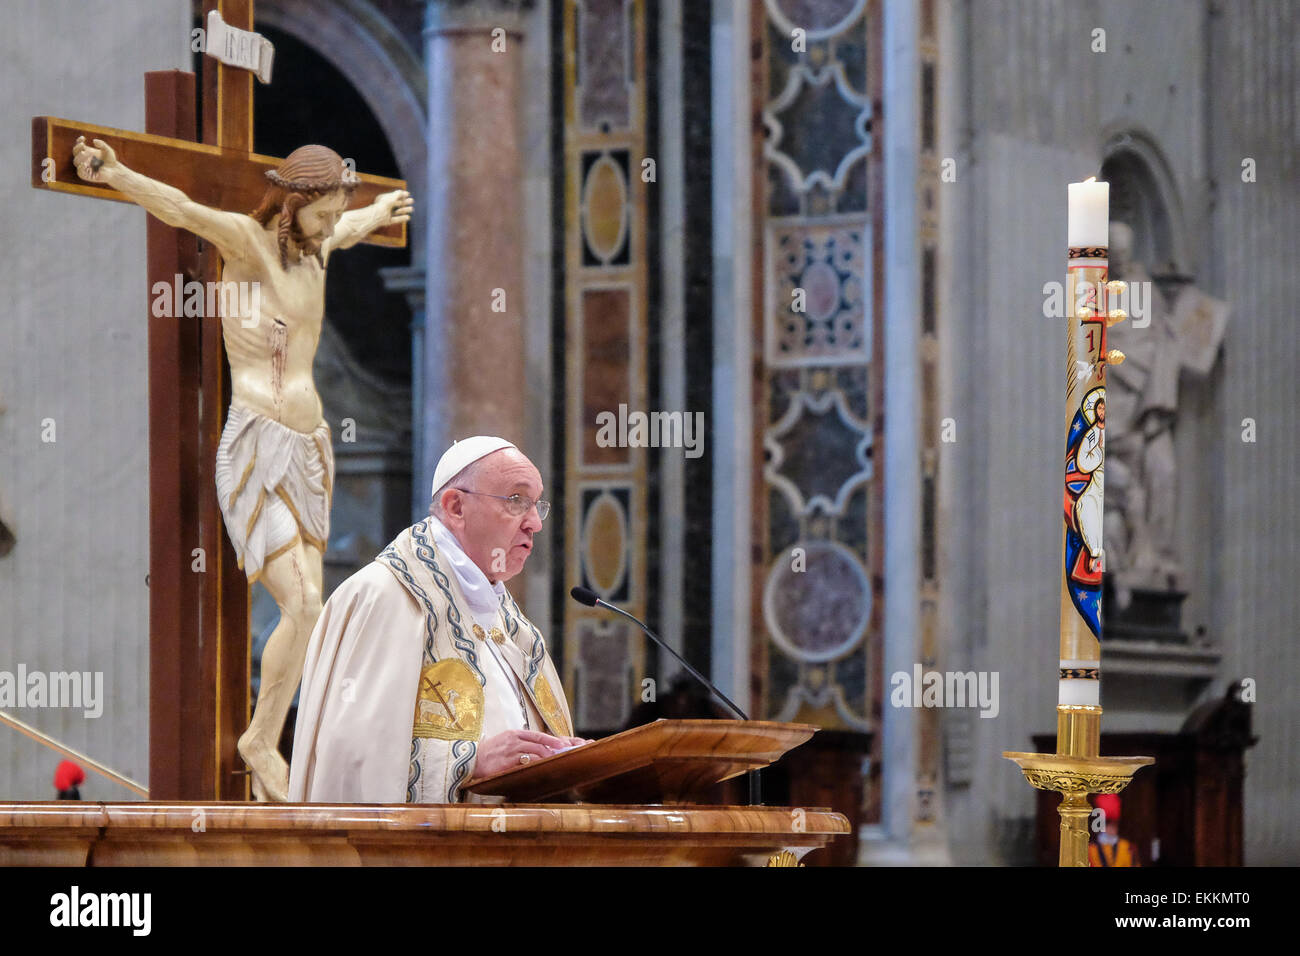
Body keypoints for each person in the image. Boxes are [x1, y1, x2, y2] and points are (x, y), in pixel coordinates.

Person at [72, 137, 413, 802]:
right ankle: (258, 745)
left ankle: (262, 741)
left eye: (332, 216)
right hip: (256, 444)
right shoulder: (247, 244)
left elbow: (350, 225)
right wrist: (115, 173)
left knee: (311, 615)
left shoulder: (320, 249)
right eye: (318, 216)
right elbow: (177, 207)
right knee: (303, 602)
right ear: (292, 204)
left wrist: (378, 210)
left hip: (311, 449)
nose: (325, 228)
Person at [288, 437, 588, 803]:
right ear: (456, 506)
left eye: (537, 505)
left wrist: (568, 759)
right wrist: (471, 762)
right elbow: (350, 758)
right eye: (516, 501)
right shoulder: (383, 597)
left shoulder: (515, 629)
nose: (534, 524)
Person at [1089, 793, 1141, 867]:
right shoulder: (1091, 850)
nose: (1113, 829)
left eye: (1114, 824)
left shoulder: (1128, 847)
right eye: (1109, 824)